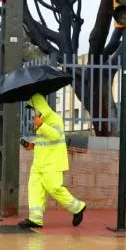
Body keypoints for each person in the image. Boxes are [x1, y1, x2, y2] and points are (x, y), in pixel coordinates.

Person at [18, 93, 86, 229]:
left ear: (40, 107)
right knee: (34, 189)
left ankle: (78, 207)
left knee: (54, 188)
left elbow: (55, 136)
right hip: (38, 164)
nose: (33, 111)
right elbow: (45, 142)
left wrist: (41, 125)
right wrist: (32, 145)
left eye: (34, 108)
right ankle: (35, 219)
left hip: (52, 163)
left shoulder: (55, 118)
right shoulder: (40, 121)